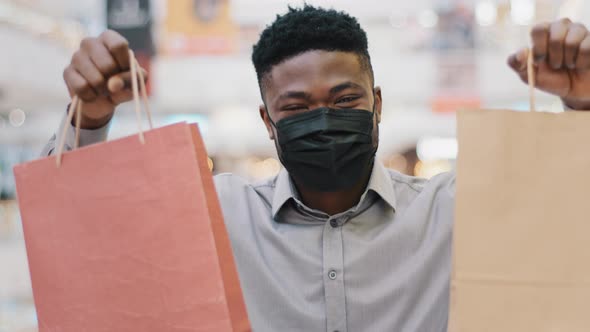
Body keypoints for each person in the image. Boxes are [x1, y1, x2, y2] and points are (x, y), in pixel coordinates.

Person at [43, 5, 590, 332]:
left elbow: (569, 213)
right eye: (297, 108)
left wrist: (582, 107)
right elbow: (84, 231)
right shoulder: (217, 217)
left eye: (345, 98)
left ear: (378, 103)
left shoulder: (455, 214)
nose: (324, 120)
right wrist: (88, 119)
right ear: (267, 120)